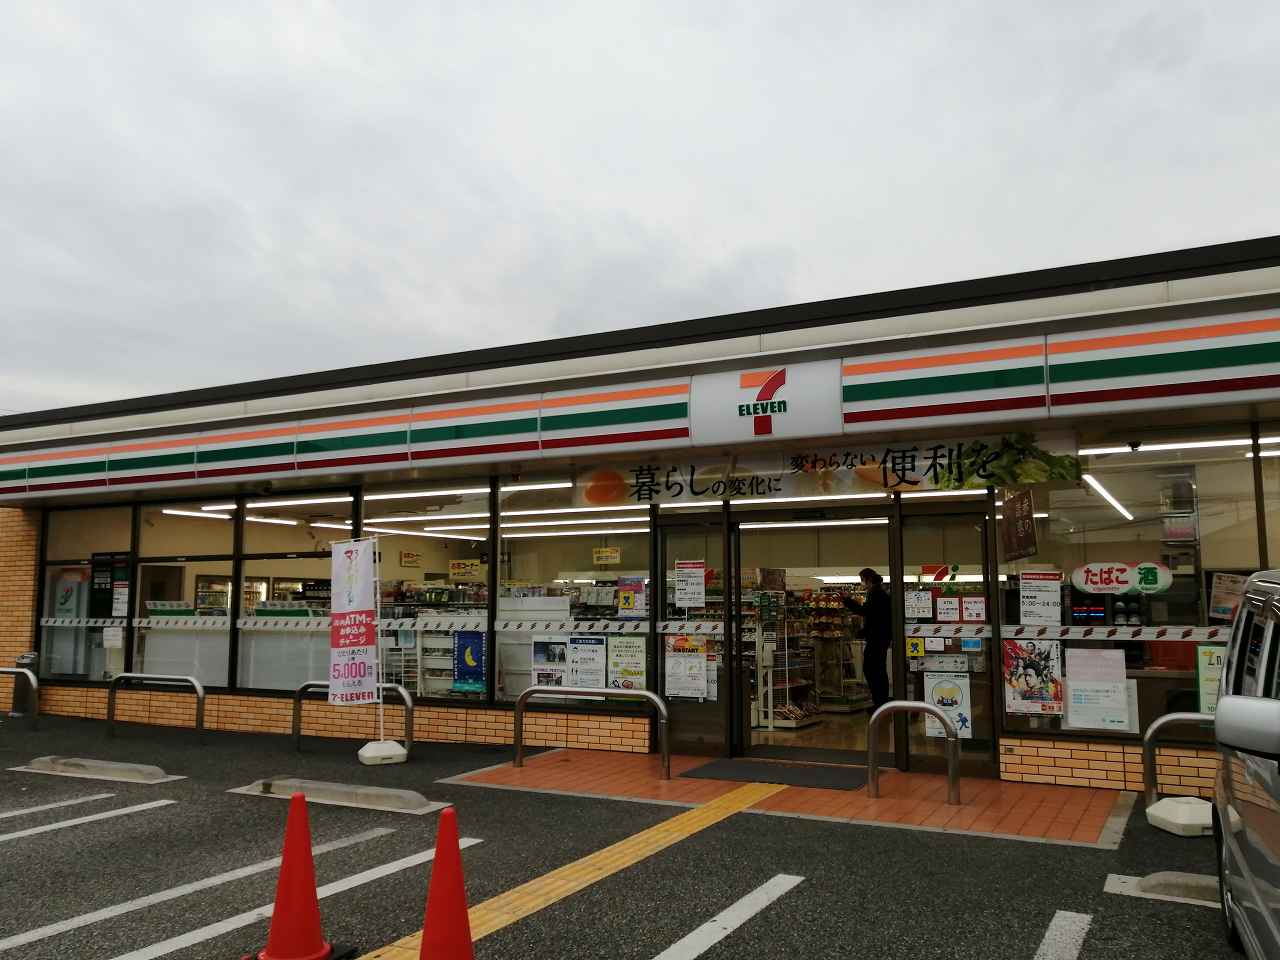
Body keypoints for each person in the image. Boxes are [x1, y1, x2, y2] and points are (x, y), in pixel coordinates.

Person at [843, 568, 892, 710]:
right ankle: (880, 702)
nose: (862, 584)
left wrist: (848, 600)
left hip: (877, 638)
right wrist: (863, 631)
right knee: (877, 670)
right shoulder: (879, 593)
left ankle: (880, 703)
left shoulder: (876, 594)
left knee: (872, 670)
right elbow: (874, 617)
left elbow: (865, 612)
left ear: (868, 580)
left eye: (862, 580)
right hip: (880, 637)